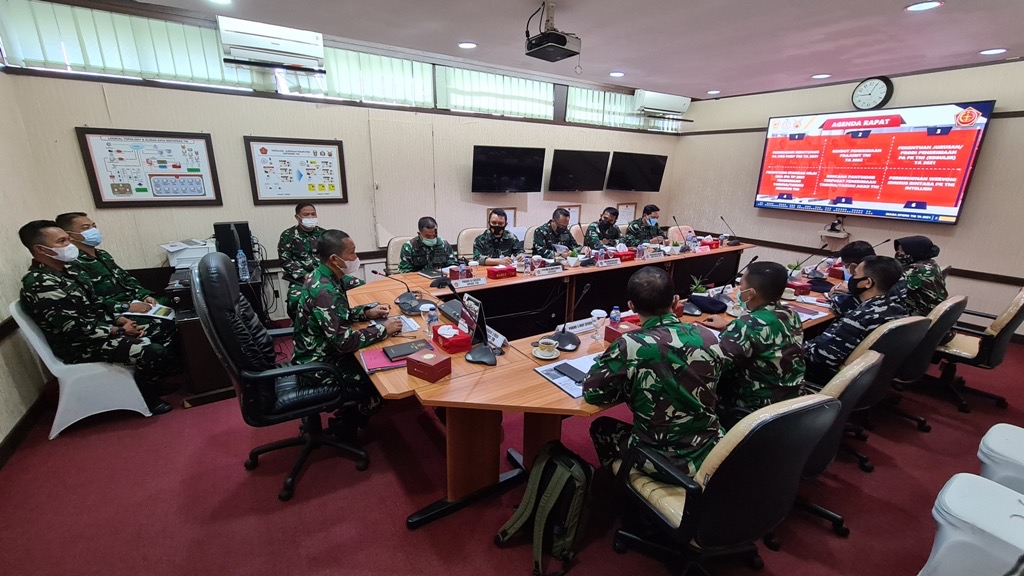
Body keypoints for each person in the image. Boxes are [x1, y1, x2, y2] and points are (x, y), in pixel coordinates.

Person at [18, 220, 174, 414]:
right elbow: (72, 327)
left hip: (100, 331)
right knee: (153, 351)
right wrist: (119, 331)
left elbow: (96, 303)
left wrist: (120, 319)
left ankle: (150, 381)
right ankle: (146, 395)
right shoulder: (40, 283)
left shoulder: (70, 271)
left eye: (68, 239)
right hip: (78, 345)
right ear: (41, 249)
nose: (69, 244)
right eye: (61, 241)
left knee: (162, 328)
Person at [583, 266, 723, 479]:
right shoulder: (707, 336)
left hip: (662, 460)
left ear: (631, 306)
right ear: (676, 301)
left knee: (602, 429)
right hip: (711, 450)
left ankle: (621, 490)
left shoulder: (629, 345)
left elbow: (593, 393)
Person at [292, 229, 403, 417]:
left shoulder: (323, 275)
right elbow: (344, 343)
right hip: (321, 366)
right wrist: (384, 329)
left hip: (319, 351)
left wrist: (366, 313)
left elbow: (336, 315)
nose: (355, 257)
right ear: (335, 259)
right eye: (351, 253)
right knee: (384, 374)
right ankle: (356, 412)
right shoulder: (325, 291)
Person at [56, 212, 178, 350]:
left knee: (179, 305)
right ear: (69, 235)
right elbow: (90, 300)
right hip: (115, 312)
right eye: (86, 228)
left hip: (135, 303)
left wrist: (144, 295)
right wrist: (126, 307)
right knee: (164, 325)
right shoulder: (72, 264)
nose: (93, 231)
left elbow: (126, 279)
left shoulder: (102, 255)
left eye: (93, 226)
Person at [703, 262, 806, 422]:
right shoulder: (792, 315)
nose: (738, 288)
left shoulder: (746, 325)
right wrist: (730, 326)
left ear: (750, 293)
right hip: (791, 402)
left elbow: (714, 369)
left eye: (740, 284)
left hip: (754, 409)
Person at [804, 255, 908, 384]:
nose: (852, 278)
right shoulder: (898, 309)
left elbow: (821, 357)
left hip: (828, 375)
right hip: (871, 378)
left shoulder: (861, 316)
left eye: (855, 274)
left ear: (867, 283)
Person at [279, 203, 357, 318]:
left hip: (327, 274)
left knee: (359, 285)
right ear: (297, 217)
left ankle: (351, 315)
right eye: (306, 215)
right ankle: (302, 325)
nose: (310, 217)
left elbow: (332, 257)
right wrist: (304, 275)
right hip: (302, 280)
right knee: (294, 299)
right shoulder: (288, 235)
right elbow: (285, 260)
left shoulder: (324, 234)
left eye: (313, 214)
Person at [893, 235, 948, 317]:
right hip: (932, 309)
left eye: (902, 251)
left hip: (920, 314)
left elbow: (892, 291)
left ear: (915, 252)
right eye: (898, 250)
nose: (899, 254)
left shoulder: (916, 270)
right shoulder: (930, 263)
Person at [828, 240, 876, 316]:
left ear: (854, 266)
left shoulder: (867, 279)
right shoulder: (882, 270)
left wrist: (833, 295)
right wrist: (848, 292)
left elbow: (844, 305)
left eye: (846, 266)